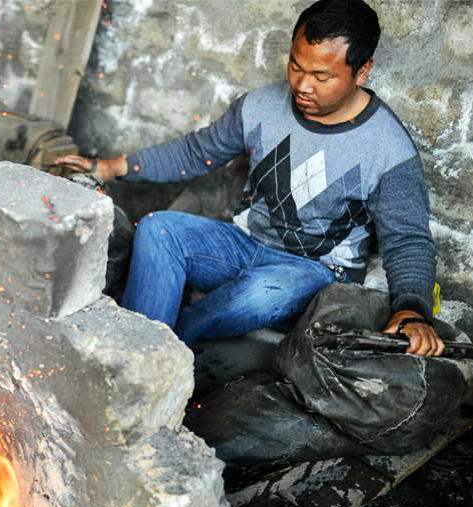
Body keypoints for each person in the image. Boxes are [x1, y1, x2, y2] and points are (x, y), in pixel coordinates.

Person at [56, 0, 444, 357]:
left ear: (362, 71)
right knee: (158, 229)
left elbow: (407, 239)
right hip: (244, 243)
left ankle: (163, 349)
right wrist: (110, 167)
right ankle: (128, 353)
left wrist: (412, 310)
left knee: (263, 290)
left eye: (322, 76)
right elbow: (196, 152)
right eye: (296, 66)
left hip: (314, 272)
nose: (302, 85)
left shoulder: (388, 149)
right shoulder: (260, 106)